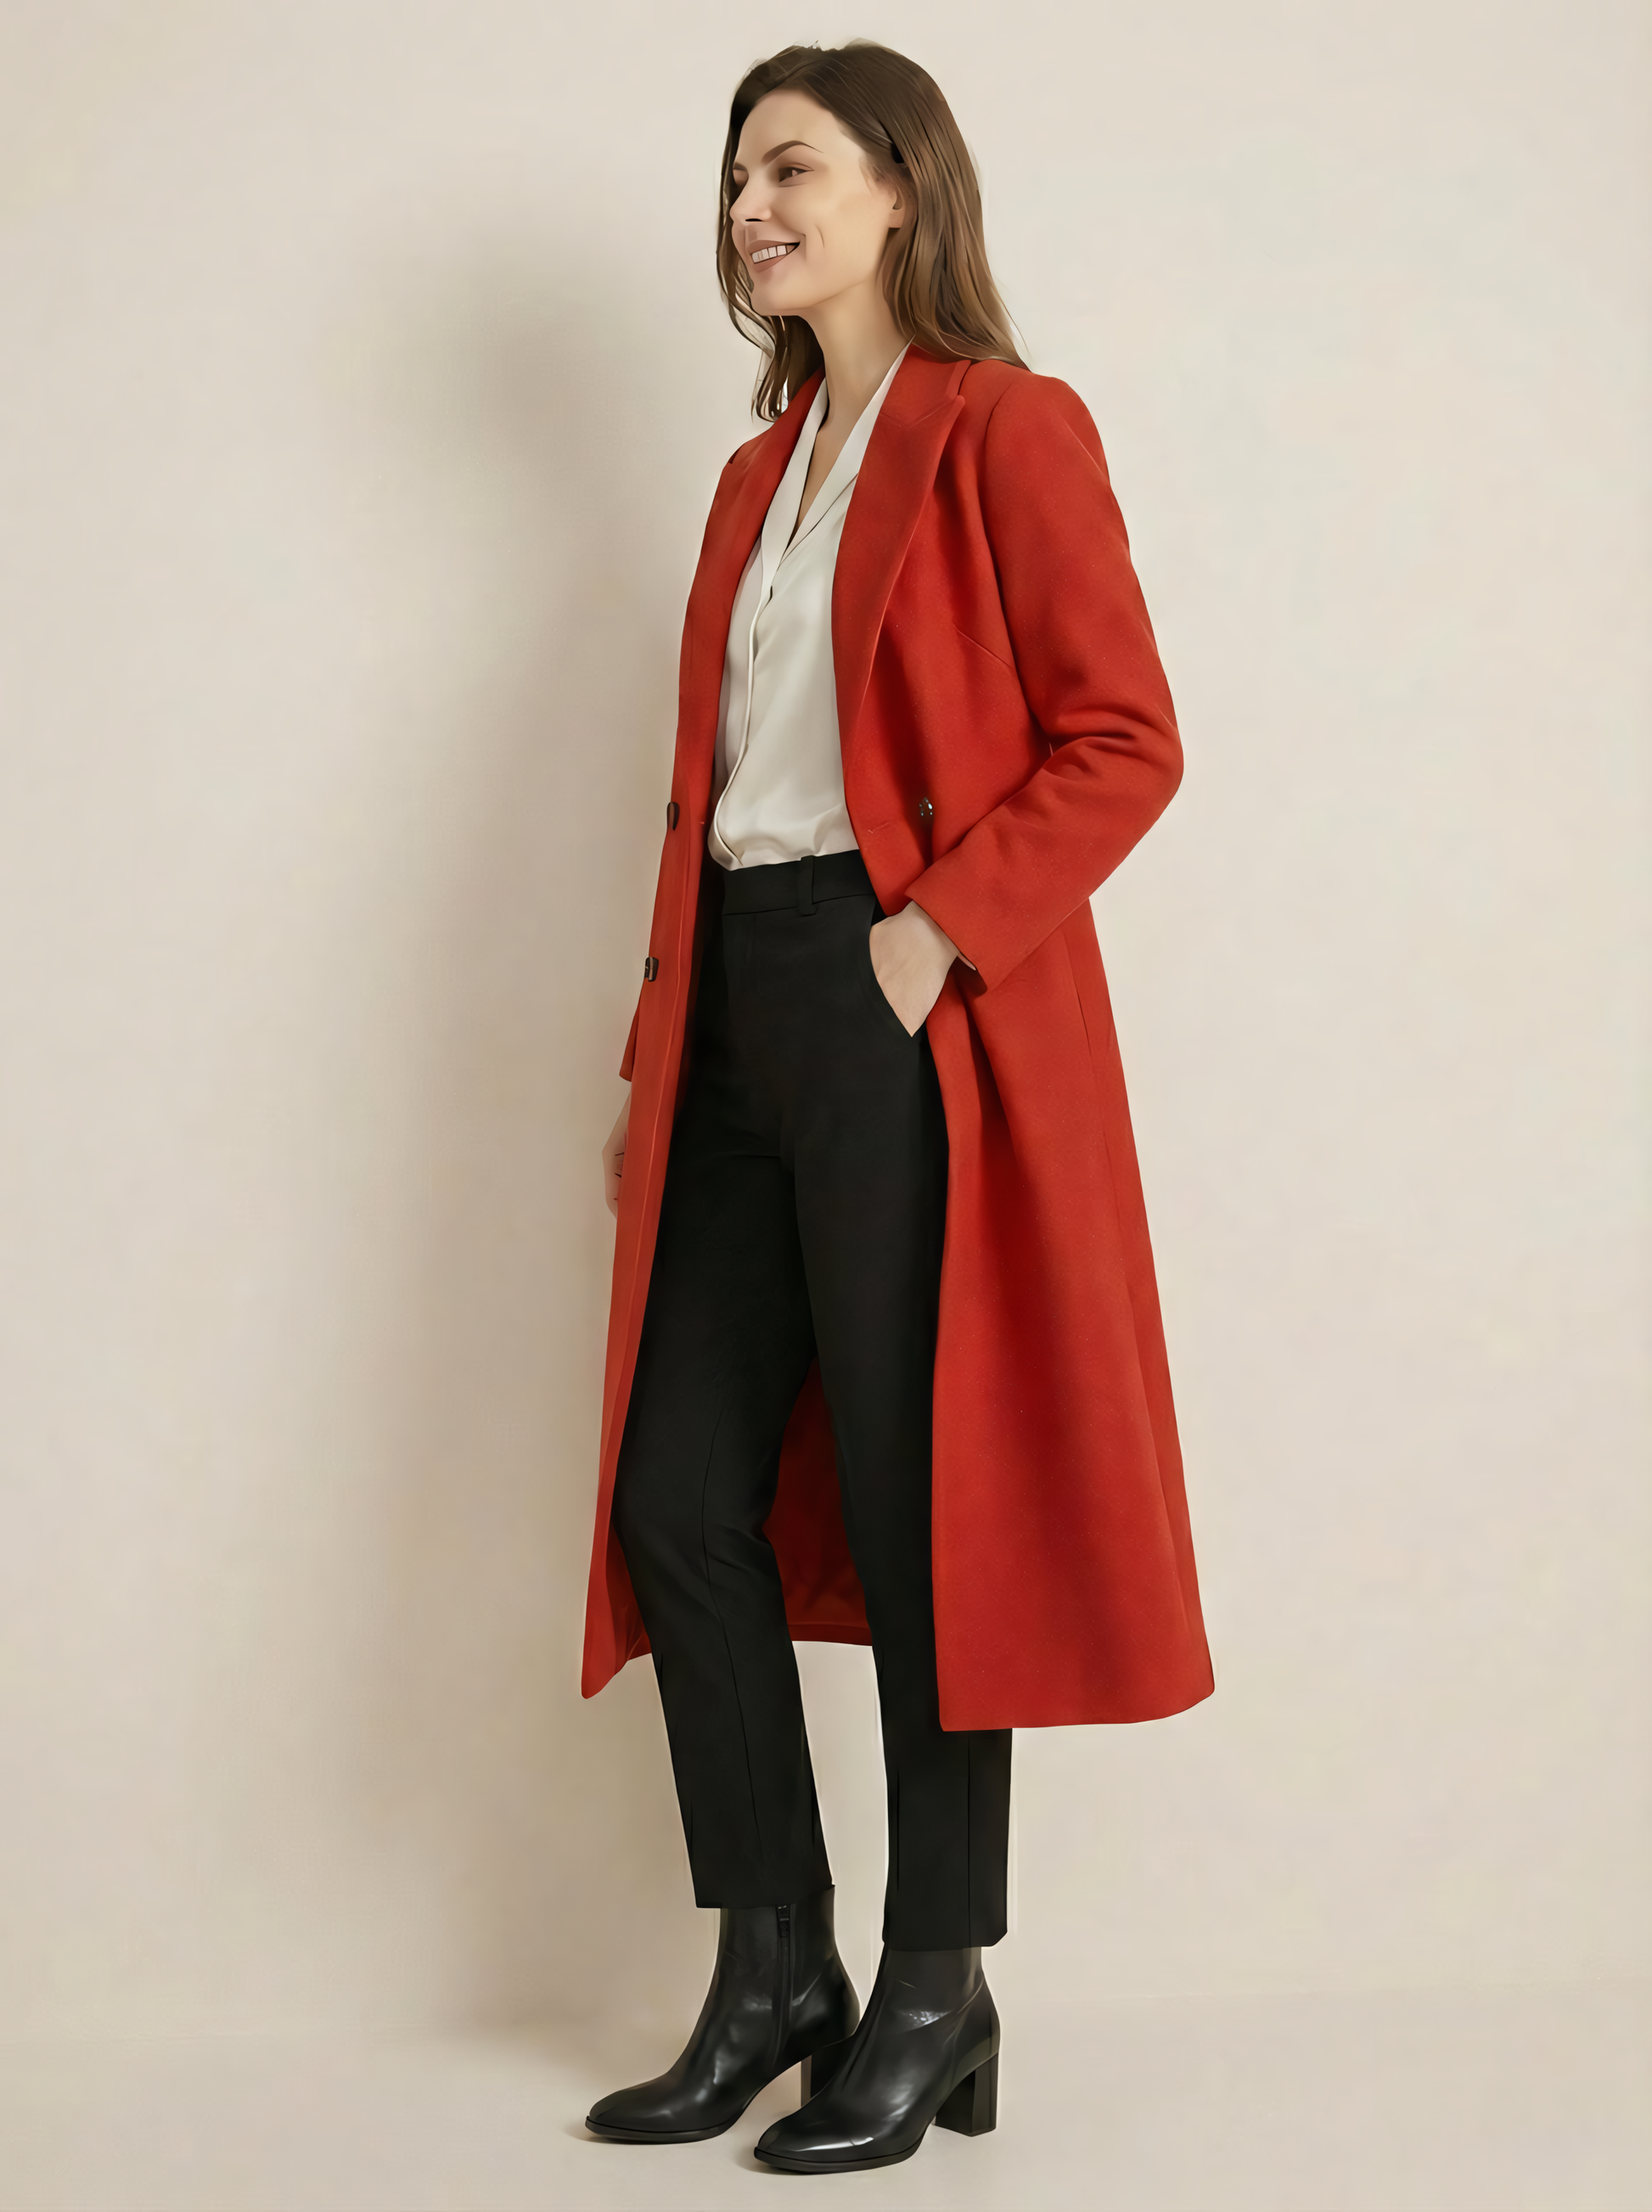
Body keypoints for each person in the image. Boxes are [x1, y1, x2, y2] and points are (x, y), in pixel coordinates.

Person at [580, 40, 1214, 2176]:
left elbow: (1124, 736)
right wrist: (656, 1059)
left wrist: (930, 940)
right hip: (735, 1010)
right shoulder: (750, 480)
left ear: (898, 192)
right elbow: (713, 799)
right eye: (732, 178)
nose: (748, 209)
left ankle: (937, 1981)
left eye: (789, 167)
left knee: (930, 1489)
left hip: (895, 996)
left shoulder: (1005, 429)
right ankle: (776, 1966)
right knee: (679, 1492)